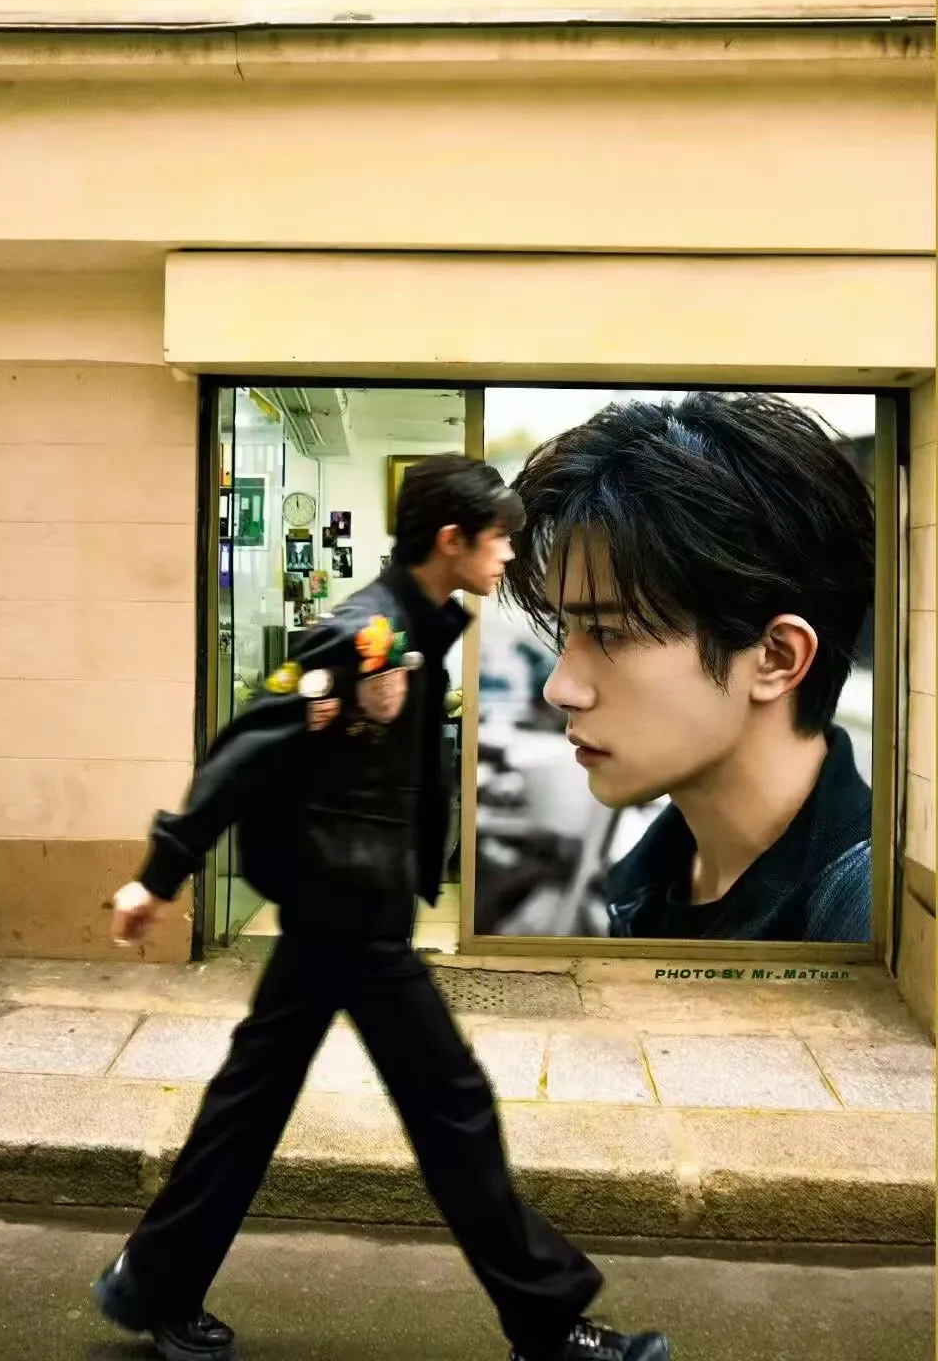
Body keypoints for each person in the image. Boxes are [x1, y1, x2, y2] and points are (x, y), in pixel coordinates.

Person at [92, 452, 671, 1361]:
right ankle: (550, 1327)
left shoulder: (412, 626)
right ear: (451, 539)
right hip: (347, 920)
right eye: (499, 539)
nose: (507, 554)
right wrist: (159, 873)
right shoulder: (365, 632)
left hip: (347, 912)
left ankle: (151, 1284)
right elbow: (248, 747)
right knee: (452, 1110)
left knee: (253, 1104)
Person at [503, 392, 875, 944]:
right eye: (565, 631)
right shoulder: (648, 879)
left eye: (608, 632)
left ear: (776, 658)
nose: (560, 689)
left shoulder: (869, 925)